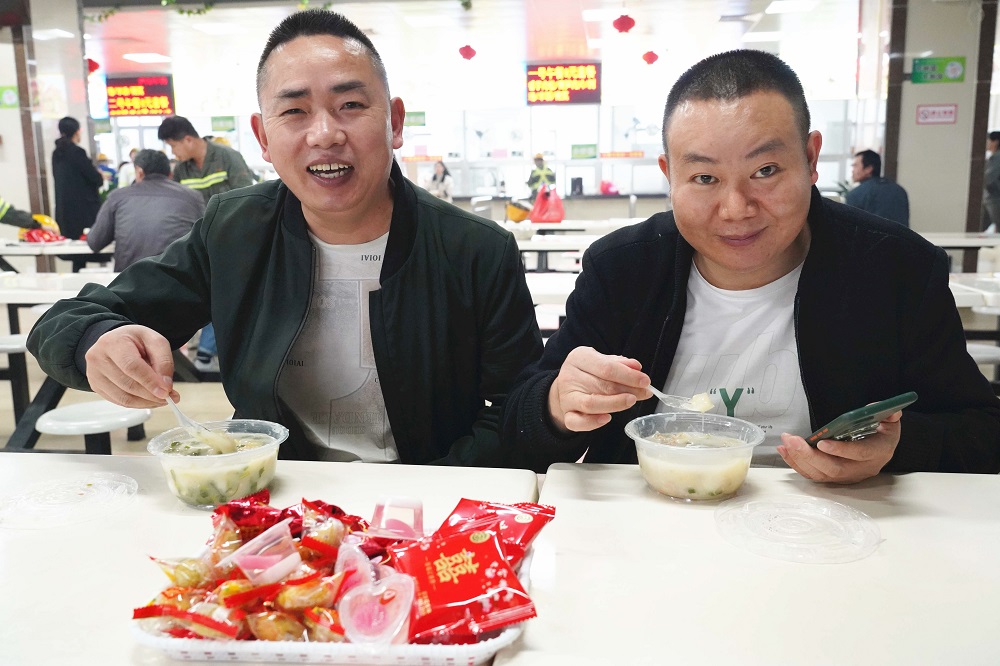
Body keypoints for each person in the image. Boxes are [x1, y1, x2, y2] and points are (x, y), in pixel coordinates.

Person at [28, 9, 541, 466]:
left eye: (350, 104)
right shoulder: (234, 232)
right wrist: (97, 341)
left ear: (395, 122)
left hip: (426, 508)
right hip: (276, 499)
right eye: (294, 111)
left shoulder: (476, 250)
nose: (325, 134)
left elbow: (518, 409)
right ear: (263, 137)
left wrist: (425, 495)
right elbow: (67, 320)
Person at [500, 49, 1000, 482]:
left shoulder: (896, 268)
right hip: (657, 521)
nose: (736, 209)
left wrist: (898, 448)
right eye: (704, 178)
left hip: (837, 526)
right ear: (669, 175)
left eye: (766, 170)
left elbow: (982, 432)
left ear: (810, 158)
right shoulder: (622, 270)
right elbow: (518, 423)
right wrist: (557, 405)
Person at [157, 115, 255, 371]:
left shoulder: (227, 157)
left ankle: (211, 353)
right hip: (199, 243)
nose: (173, 153)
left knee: (225, 296)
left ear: (188, 140)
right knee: (204, 295)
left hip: (233, 240)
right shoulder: (182, 170)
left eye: (173, 146)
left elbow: (246, 199)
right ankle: (204, 353)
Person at [87, 149, 206, 272]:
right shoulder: (193, 197)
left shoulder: (117, 197)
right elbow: (206, 240)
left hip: (129, 280)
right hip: (179, 279)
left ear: (139, 172)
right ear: (170, 173)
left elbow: (95, 242)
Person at [51, 116, 103, 243]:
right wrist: (100, 175)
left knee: (70, 246)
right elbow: (95, 179)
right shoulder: (78, 152)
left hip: (64, 210)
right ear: (77, 132)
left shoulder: (56, 154)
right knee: (84, 244)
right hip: (82, 211)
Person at [844, 149, 909, 227]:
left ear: (868, 169)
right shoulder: (900, 191)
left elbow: (849, 228)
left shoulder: (855, 195)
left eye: (855, 166)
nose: (852, 170)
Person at [982, 131, 1000, 232]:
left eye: (988, 140)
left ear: (995, 142)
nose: (986, 143)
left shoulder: (997, 157)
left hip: (994, 199)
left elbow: (990, 179)